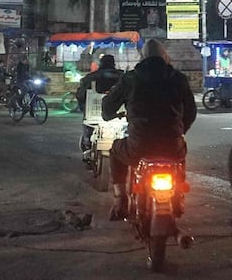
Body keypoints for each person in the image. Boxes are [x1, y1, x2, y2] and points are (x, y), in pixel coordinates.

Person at [102, 39, 196, 220]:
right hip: (172, 147)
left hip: (138, 147)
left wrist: (110, 112)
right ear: (164, 57)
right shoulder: (178, 78)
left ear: (142, 57)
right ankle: (177, 194)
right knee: (180, 152)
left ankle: (120, 198)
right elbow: (190, 112)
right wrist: (179, 131)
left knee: (115, 150)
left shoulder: (130, 78)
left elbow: (107, 108)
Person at [77, 54, 124, 158]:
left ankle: (87, 145)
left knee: (88, 127)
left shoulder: (90, 78)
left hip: (93, 115)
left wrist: (82, 107)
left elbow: (80, 95)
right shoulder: (122, 77)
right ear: (113, 64)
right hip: (119, 114)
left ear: (101, 63)